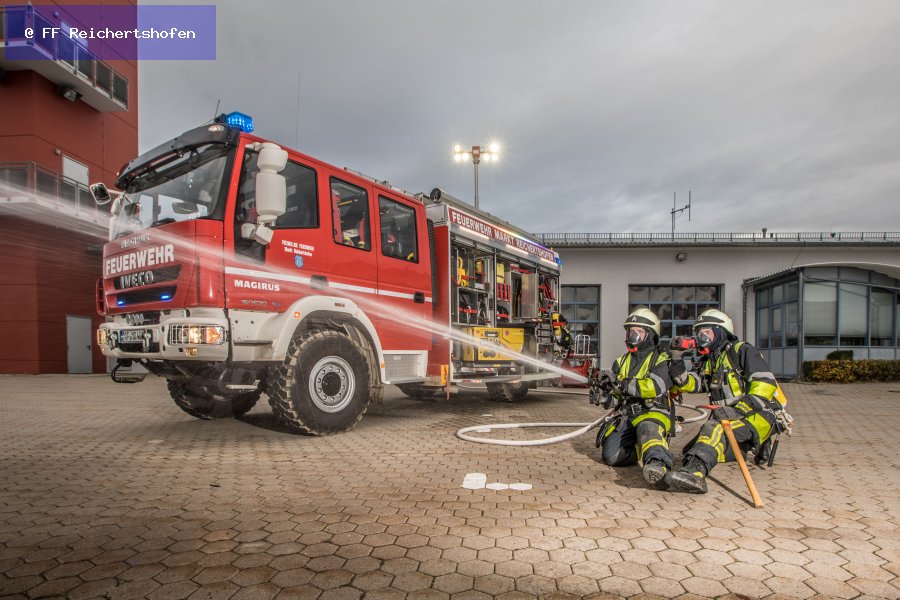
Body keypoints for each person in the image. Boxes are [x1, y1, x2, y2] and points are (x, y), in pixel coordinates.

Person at [665, 309, 785, 493]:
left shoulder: (742, 350)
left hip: (756, 415)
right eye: (699, 333)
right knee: (691, 450)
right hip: (728, 416)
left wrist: (738, 410)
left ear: (721, 332)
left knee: (713, 429)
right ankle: (747, 446)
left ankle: (695, 476)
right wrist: (677, 359)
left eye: (707, 332)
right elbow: (689, 384)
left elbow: (765, 383)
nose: (701, 337)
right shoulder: (709, 362)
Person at [594, 308, 675, 487]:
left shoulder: (660, 359)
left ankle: (658, 465)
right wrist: (603, 396)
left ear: (650, 335)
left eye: (639, 331)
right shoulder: (621, 361)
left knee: (648, 431)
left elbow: (655, 386)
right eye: (632, 331)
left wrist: (621, 382)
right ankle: (640, 447)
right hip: (627, 417)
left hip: (651, 412)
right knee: (611, 456)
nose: (634, 335)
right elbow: (615, 398)